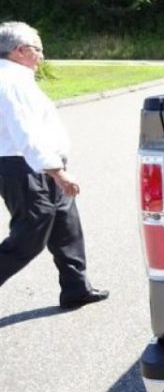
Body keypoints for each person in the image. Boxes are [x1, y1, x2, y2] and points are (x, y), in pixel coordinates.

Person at [0, 22, 108, 307]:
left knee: (66, 227)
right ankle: (75, 288)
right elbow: (26, 132)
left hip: (40, 163)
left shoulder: (18, 78)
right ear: (19, 51)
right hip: (25, 166)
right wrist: (57, 172)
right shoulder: (10, 81)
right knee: (29, 236)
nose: (42, 56)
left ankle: (76, 288)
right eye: (38, 49)